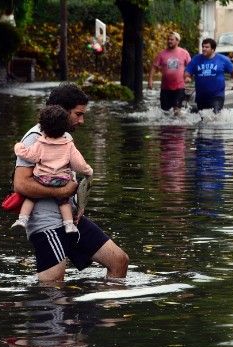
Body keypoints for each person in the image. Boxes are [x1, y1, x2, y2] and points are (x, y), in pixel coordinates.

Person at [12, 82, 129, 282]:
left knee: (119, 261)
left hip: (70, 220)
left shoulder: (64, 137)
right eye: (78, 114)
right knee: (54, 288)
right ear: (62, 112)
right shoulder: (35, 137)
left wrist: (79, 204)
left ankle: (103, 311)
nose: (82, 120)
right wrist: (61, 192)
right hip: (47, 224)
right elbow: (21, 184)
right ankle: (55, 312)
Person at [13, 105, 94, 234]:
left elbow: (29, 156)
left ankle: (22, 219)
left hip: (42, 179)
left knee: (31, 198)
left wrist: (18, 147)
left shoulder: (40, 143)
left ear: (43, 128)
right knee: (64, 202)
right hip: (61, 180)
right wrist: (88, 171)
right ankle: (69, 225)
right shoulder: (68, 145)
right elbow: (78, 163)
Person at [184, 38, 233, 114]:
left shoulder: (223, 59)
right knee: (204, 119)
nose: (204, 49)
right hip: (201, 97)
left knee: (215, 115)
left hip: (217, 95)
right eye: (203, 47)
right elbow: (187, 71)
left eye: (207, 47)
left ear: (213, 49)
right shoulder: (196, 59)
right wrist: (187, 77)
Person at [147, 31, 191, 116]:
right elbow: (154, 67)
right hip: (165, 87)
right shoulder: (162, 53)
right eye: (168, 39)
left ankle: (178, 127)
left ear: (177, 41)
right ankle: (167, 128)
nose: (169, 41)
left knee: (177, 109)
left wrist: (188, 76)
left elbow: (191, 67)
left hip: (179, 87)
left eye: (172, 39)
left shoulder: (184, 53)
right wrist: (150, 80)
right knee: (165, 112)